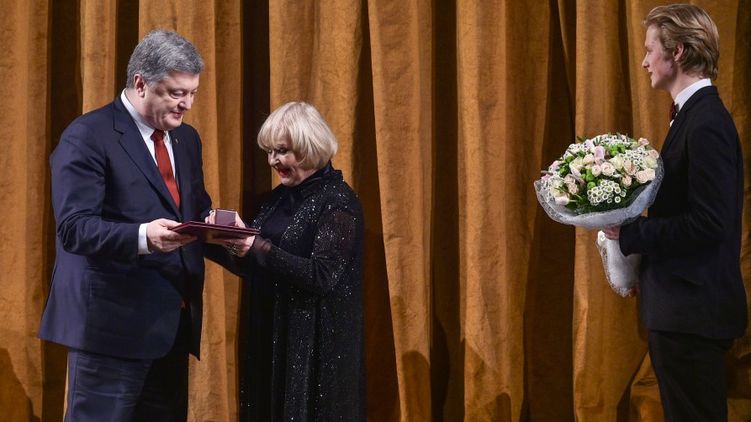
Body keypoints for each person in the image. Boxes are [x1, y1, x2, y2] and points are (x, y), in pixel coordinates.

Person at [40, 30, 222, 421]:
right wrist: (144, 237)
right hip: (110, 331)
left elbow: (194, 209)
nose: (187, 104)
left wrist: (222, 225)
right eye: (177, 93)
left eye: (192, 93)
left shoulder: (186, 139)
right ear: (140, 84)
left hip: (170, 327)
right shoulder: (87, 136)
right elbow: (74, 228)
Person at [603, 4, 747, 421]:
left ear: (678, 51)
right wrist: (644, 268)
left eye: (650, 49)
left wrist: (629, 233)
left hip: (692, 317)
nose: (644, 61)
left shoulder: (706, 123)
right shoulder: (694, 116)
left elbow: (708, 224)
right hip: (682, 311)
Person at [208, 101, 366, 420]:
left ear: (309, 147)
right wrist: (210, 240)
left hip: (313, 345)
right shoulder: (277, 198)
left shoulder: (338, 202)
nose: (273, 161)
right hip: (271, 333)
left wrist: (258, 246)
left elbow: (321, 276)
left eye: (282, 151)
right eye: (270, 151)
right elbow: (256, 265)